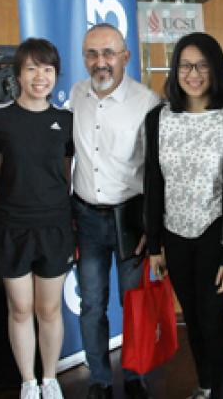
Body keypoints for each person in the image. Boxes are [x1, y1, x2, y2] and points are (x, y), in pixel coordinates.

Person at [145, 32, 223, 399]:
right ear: (175, 71)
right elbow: (154, 182)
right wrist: (154, 242)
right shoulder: (158, 118)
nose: (193, 73)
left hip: (213, 235)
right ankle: (204, 385)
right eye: (186, 65)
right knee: (192, 318)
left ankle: (219, 390)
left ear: (215, 69)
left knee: (212, 319)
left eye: (202, 65)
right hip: (175, 234)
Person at [67, 23, 161, 399]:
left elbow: (156, 172)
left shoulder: (147, 101)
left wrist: (150, 228)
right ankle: (100, 380)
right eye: (92, 54)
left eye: (108, 53)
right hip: (87, 217)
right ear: (84, 58)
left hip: (130, 220)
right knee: (92, 305)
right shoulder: (76, 94)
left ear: (125, 57)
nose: (100, 62)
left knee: (134, 305)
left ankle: (136, 374)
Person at [0, 38, 73, 399]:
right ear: (18, 74)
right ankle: (28, 382)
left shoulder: (66, 120)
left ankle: (49, 378)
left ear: (56, 76)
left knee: (48, 309)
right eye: (32, 68)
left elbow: (66, 175)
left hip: (54, 225)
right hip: (11, 225)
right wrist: (13, 192)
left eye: (48, 69)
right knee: (19, 308)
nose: (41, 76)